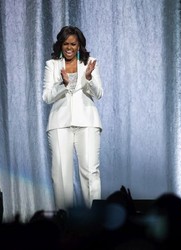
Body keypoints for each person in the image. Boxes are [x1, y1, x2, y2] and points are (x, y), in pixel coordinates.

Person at [42, 26, 103, 210]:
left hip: (88, 122)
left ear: (79, 46)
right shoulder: (52, 65)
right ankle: (64, 219)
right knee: (61, 175)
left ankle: (94, 219)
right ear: (60, 45)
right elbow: (46, 97)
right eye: (66, 43)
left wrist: (89, 77)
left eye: (73, 44)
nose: (69, 47)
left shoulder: (89, 63)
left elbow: (99, 93)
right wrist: (63, 84)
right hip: (60, 123)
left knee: (90, 172)